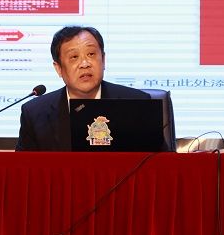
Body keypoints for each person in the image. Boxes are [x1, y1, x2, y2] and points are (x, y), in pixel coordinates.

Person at [16, 25, 149, 151]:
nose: (84, 64)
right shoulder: (34, 113)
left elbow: (154, 162)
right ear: (59, 68)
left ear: (103, 60)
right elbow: (24, 166)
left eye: (91, 54)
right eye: (74, 57)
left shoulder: (138, 104)